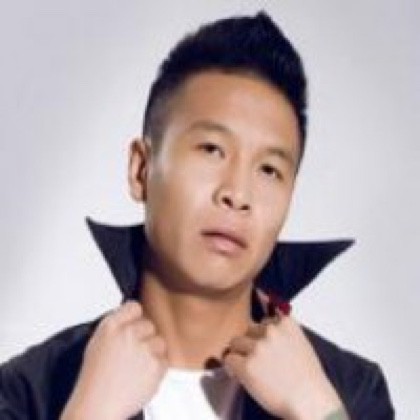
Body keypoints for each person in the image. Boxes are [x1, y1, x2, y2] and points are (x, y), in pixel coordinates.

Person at [0, 11, 394, 420]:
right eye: (211, 150)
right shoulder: (26, 391)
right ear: (141, 169)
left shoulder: (350, 391)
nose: (237, 194)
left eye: (269, 170)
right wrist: (91, 412)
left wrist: (315, 409)